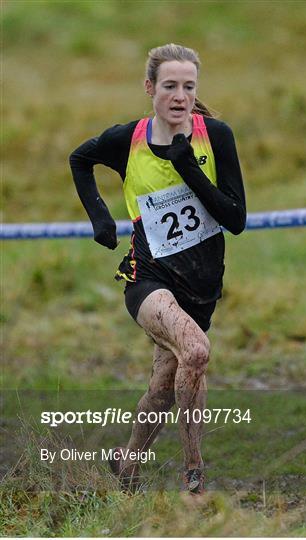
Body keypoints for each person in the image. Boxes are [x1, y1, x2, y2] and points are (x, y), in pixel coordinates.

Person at [70, 43, 246, 495]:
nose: (179, 95)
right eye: (169, 85)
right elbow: (80, 159)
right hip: (147, 279)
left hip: (202, 286)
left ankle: (127, 463)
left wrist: (188, 167)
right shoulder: (126, 140)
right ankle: (195, 476)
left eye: (188, 86)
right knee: (197, 351)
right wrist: (100, 218)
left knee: (165, 388)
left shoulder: (217, 136)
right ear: (150, 88)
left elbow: (236, 219)